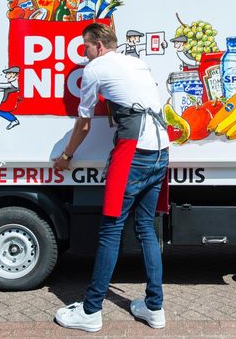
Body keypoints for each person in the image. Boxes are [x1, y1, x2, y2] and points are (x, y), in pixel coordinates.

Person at [53, 23, 169, 333]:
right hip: (161, 150)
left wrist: (65, 156)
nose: (85, 54)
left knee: (110, 229)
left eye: (86, 47)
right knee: (146, 228)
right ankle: (154, 308)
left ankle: (91, 311)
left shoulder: (96, 68)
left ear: (100, 45)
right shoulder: (137, 62)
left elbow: (84, 123)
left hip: (133, 153)